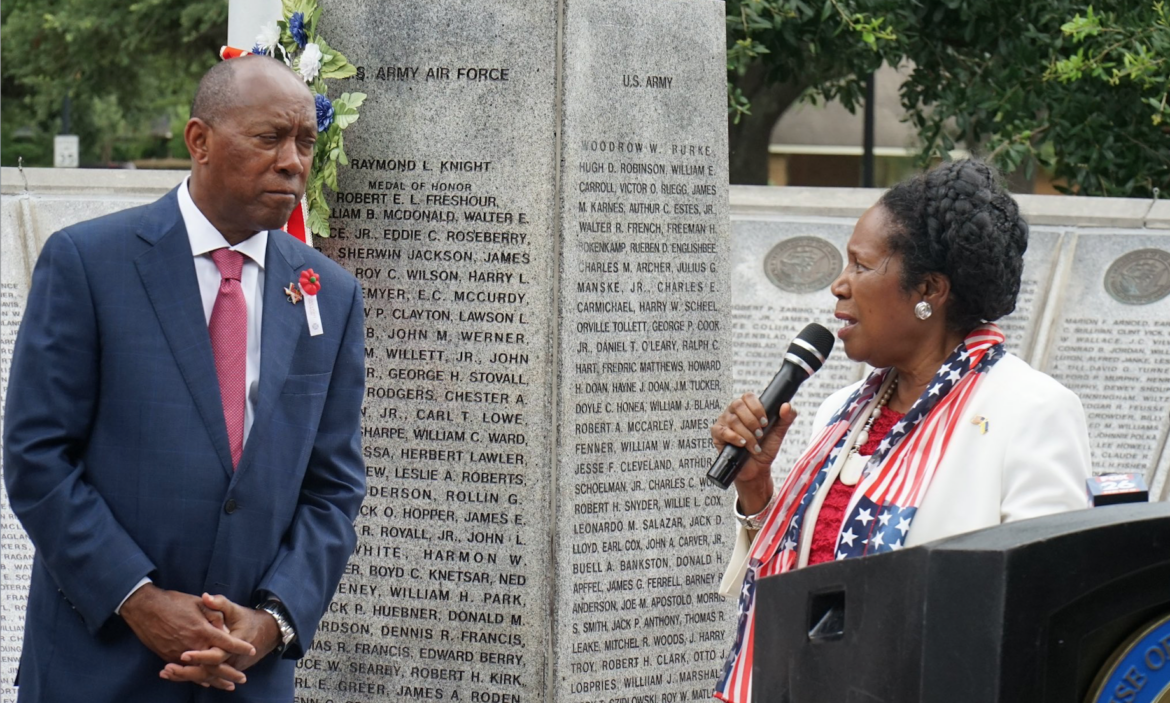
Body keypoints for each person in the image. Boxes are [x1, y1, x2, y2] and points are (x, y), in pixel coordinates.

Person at [3, 55, 366, 701]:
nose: (293, 161)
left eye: (306, 142)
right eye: (269, 138)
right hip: (100, 662)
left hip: (244, 673)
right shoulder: (89, 263)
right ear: (198, 140)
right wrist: (137, 600)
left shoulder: (328, 294)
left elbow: (333, 487)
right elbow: (37, 457)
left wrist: (272, 620)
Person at [708, 160, 1091, 703]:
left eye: (860, 266)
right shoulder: (843, 411)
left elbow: (1041, 618)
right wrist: (756, 487)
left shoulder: (1029, 411)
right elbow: (810, 568)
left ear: (929, 289)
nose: (839, 285)